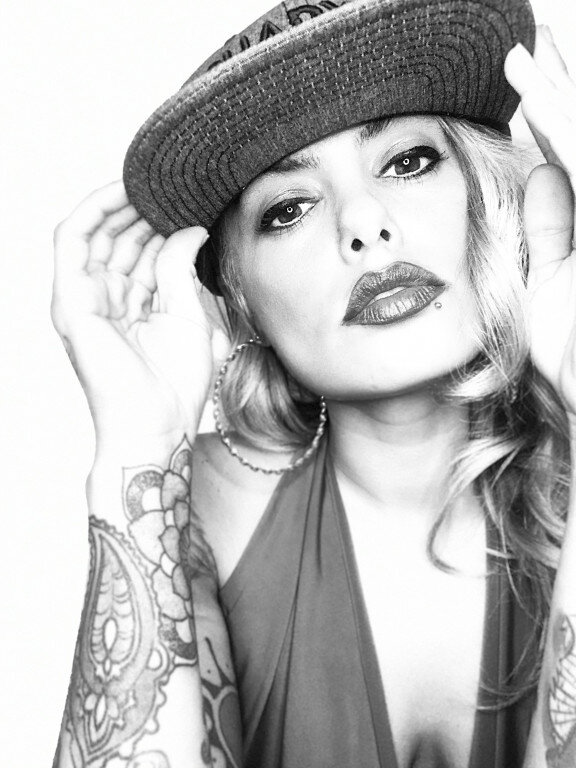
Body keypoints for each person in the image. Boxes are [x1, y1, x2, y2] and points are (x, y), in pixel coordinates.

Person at [50, 0, 576, 766]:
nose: (363, 223)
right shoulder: (201, 507)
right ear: (239, 302)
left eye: (407, 162)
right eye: (290, 209)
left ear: (487, 200)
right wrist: (137, 446)